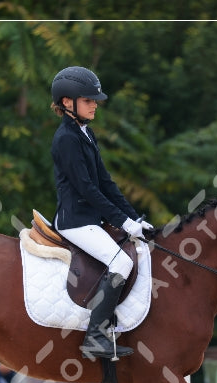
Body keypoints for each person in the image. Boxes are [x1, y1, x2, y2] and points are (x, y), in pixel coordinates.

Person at [49, 66, 154, 359]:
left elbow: (105, 183)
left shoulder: (85, 133)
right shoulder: (66, 139)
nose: (95, 104)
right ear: (67, 102)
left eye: (95, 100)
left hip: (91, 218)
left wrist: (134, 219)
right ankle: (95, 337)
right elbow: (87, 190)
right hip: (75, 221)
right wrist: (122, 222)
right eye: (88, 100)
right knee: (121, 263)